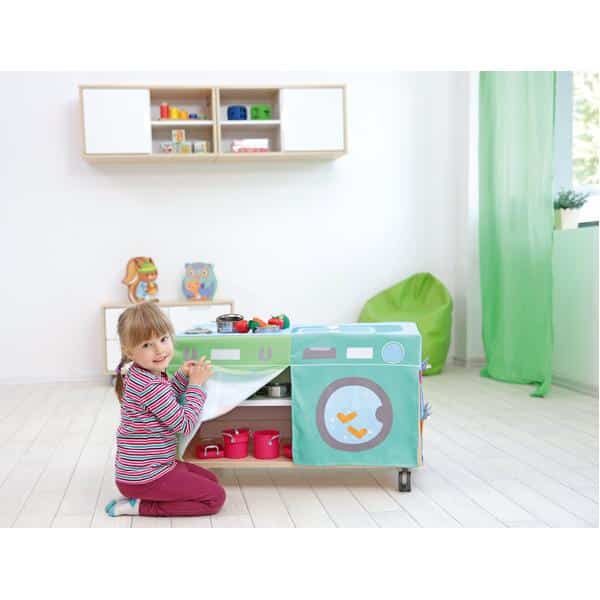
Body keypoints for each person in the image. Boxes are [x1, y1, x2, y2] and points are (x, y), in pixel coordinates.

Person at [104, 301, 225, 518]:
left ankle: (145, 497)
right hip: (146, 477)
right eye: (146, 345)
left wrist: (181, 377)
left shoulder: (143, 374)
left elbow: (164, 402)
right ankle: (140, 507)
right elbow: (184, 424)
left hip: (149, 469)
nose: (159, 350)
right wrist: (196, 385)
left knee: (211, 481)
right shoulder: (149, 385)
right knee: (215, 497)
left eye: (163, 339)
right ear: (129, 351)